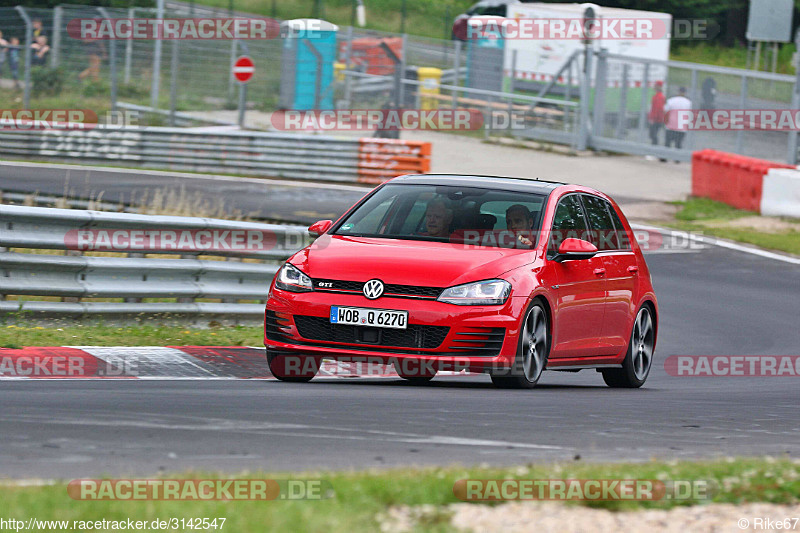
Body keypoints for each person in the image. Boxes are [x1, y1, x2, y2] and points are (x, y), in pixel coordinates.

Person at [663, 87, 692, 161]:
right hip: (681, 127)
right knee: (678, 143)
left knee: (667, 143)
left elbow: (666, 111)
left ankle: (664, 157)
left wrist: (665, 121)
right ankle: (677, 159)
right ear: (685, 93)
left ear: (678, 91)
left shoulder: (671, 100)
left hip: (671, 125)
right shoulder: (688, 102)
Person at [647, 81, 665, 146]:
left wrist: (653, 119)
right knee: (652, 135)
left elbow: (659, 109)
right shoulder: (657, 96)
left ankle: (654, 150)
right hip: (656, 119)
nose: (654, 87)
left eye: (656, 85)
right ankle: (654, 148)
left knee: (653, 135)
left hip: (656, 120)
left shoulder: (659, 97)